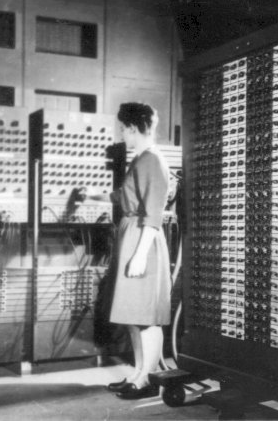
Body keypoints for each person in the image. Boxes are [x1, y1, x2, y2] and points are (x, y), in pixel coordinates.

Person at [83, 103, 171, 399]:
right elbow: (124, 195)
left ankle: (147, 378)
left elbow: (154, 214)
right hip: (131, 234)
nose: (121, 134)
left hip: (143, 238)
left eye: (123, 128)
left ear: (133, 128)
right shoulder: (140, 160)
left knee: (145, 315)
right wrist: (92, 195)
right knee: (133, 313)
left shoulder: (152, 160)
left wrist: (140, 254)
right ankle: (137, 373)